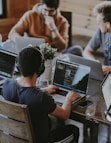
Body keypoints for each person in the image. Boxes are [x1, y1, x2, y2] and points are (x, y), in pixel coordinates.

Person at [2, 45, 80, 143]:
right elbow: (64, 115)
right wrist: (68, 99)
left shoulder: (7, 85)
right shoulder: (41, 98)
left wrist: (43, 90)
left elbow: (25, 94)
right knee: (73, 130)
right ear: (41, 69)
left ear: (19, 66)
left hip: (14, 137)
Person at [83, 1, 111, 75]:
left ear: (108, 25)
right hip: (104, 74)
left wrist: (110, 69)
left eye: (99, 23)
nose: (98, 25)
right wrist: (94, 62)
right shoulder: (100, 31)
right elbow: (87, 51)